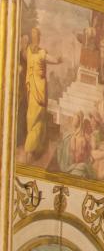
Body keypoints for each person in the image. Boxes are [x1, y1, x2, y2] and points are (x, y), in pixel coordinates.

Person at [20, 26, 60, 162]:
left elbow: (54, 60)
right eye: (33, 35)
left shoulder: (38, 53)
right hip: (33, 89)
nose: (34, 37)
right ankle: (32, 149)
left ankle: (31, 149)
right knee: (32, 118)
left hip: (38, 90)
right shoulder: (33, 52)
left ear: (38, 37)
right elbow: (23, 54)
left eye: (35, 35)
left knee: (36, 118)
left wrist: (59, 59)